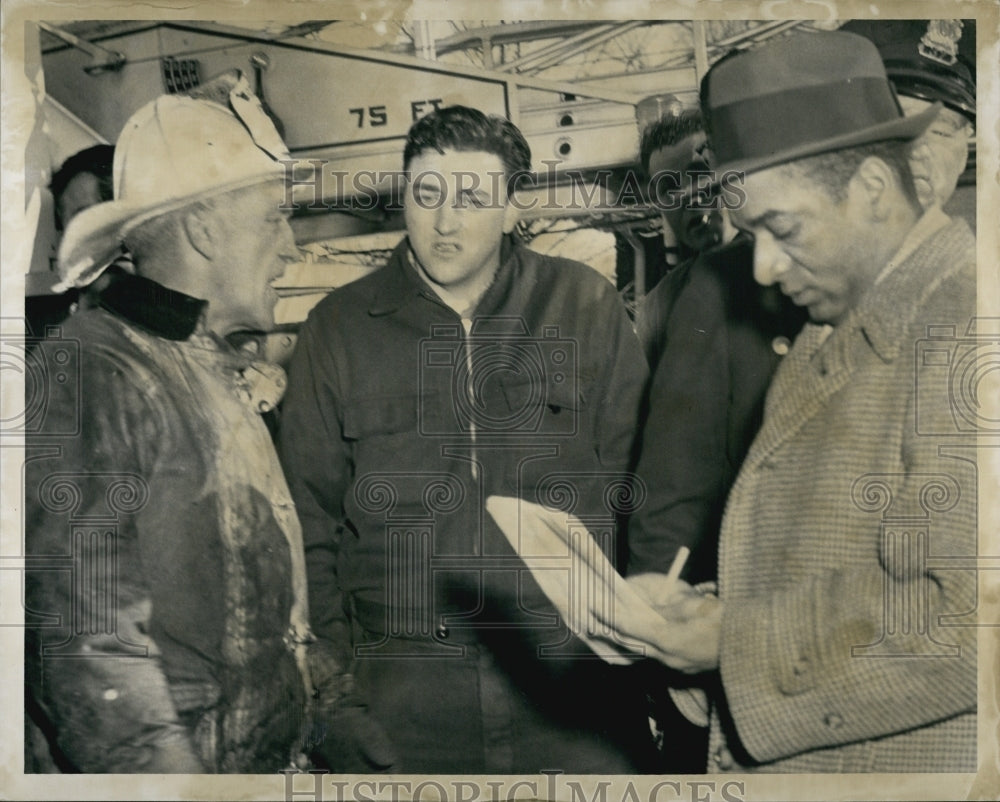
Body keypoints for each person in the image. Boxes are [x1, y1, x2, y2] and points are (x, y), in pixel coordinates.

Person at [602, 31, 977, 773]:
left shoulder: (968, 328)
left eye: (783, 229)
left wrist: (732, 643)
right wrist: (709, 617)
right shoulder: (836, 325)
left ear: (872, 187)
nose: (765, 270)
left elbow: (968, 620)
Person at [278, 105, 655, 774]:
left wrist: (647, 647)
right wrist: (332, 696)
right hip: (405, 696)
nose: (445, 222)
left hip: (568, 683)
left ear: (513, 208)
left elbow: (642, 490)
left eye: (473, 198)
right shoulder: (336, 331)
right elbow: (306, 527)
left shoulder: (583, 307)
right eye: (426, 195)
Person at [25, 72, 316, 772]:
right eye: (275, 217)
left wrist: (331, 714)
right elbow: (90, 650)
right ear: (205, 227)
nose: (292, 247)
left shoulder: (203, 367)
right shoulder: (93, 371)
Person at [627, 111, 807, 772]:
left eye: (699, 176)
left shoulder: (814, 282)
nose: (691, 198)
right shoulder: (659, 311)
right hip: (703, 624)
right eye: (669, 187)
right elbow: (657, 484)